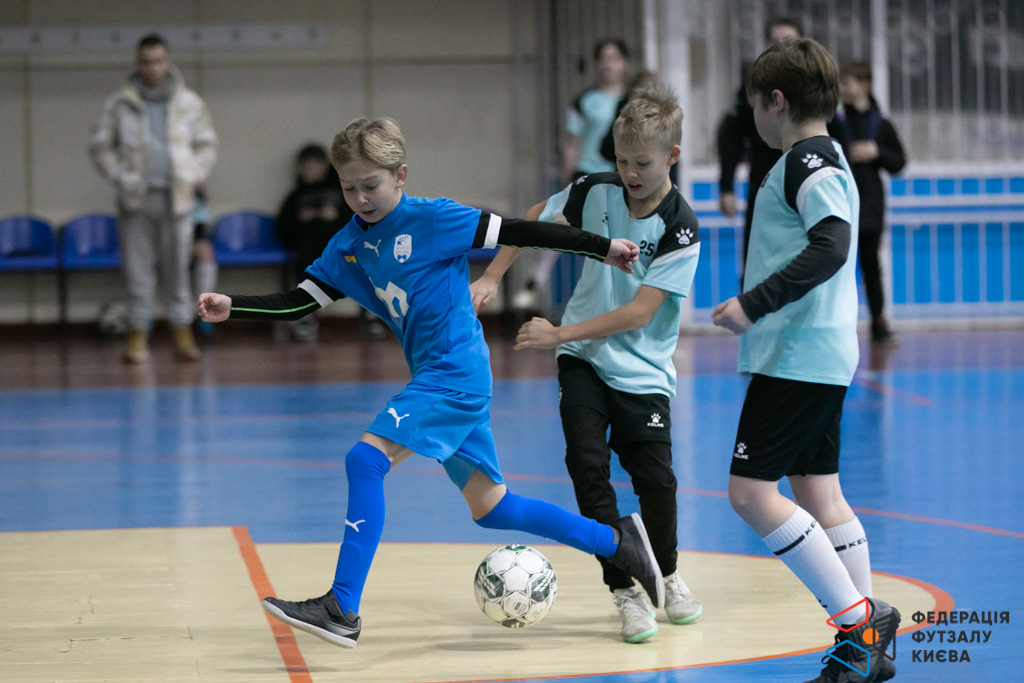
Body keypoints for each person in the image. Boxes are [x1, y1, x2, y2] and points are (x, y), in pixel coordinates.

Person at [198, 117, 665, 648]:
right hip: (440, 377)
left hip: (454, 373)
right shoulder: (348, 245)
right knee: (495, 508)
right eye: (348, 188)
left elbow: (522, 230)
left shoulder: (434, 219)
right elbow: (301, 300)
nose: (360, 199)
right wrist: (235, 306)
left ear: (400, 175)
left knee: (365, 459)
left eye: (370, 186)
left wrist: (602, 247)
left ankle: (341, 608)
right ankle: (617, 541)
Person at [471, 85, 703, 643]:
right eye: (621, 161)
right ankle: (624, 590)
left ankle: (667, 573)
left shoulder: (680, 226)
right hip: (583, 361)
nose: (630, 173)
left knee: (656, 481)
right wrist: (493, 275)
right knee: (587, 466)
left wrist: (557, 333)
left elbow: (641, 312)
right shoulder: (596, 189)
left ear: (672, 155)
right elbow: (534, 217)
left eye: (642, 162)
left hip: (642, 371)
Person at [711, 39, 899, 683]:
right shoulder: (823, 155)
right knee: (819, 491)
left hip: (798, 354)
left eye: (752, 104)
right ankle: (866, 650)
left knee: (749, 494)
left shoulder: (806, 160)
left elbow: (833, 244)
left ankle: (859, 623)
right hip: (817, 351)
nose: (751, 117)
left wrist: (753, 303)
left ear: (776, 101)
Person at [89, 33, 217, 363]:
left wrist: (193, 173)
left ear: (167, 62)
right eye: (146, 62)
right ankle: (137, 335)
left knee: (177, 272)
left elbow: (207, 143)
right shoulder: (119, 103)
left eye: (158, 61)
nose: (153, 68)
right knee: (136, 273)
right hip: (135, 201)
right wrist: (120, 176)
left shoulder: (189, 102)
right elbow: (100, 145)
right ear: (138, 63)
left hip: (178, 201)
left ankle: (182, 332)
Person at [513, 38, 632, 312]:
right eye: (603, 59)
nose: (608, 65)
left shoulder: (632, 101)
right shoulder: (584, 101)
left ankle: (616, 302)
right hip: (587, 174)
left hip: (618, 179)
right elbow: (572, 142)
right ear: (596, 64)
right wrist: (566, 179)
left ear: (624, 63)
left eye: (614, 59)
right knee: (560, 224)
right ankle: (535, 281)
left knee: (613, 238)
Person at [829, 62, 907, 347]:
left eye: (848, 83)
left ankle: (878, 324)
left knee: (871, 266)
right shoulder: (835, 122)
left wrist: (877, 152)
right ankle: (835, 327)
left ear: (865, 85)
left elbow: (899, 162)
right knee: (837, 267)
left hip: (870, 206)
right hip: (840, 203)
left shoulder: (881, 124)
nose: (843, 89)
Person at [716, 17, 802, 272]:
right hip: (763, 184)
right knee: (756, 265)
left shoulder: (813, 86)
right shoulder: (755, 85)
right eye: (776, 43)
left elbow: (838, 137)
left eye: (788, 42)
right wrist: (726, 187)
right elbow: (730, 136)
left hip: (804, 183)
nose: (782, 49)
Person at [275, 143, 385, 341]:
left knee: (364, 259)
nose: (309, 171)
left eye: (313, 165)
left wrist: (336, 216)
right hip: (310, 248)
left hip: (342, 244)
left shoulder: (344, 191)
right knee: (306, 262)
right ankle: (307, 315)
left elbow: (361, 219)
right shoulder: (296, 196)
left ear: (324, 166)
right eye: (305, 166)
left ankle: (371, 315)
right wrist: (301, 219)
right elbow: (283, 228)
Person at [191, 186, 217, 336]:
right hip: (163, 243)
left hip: (191, 242)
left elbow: (201, 229)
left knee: (206, 252)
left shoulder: (198, 199)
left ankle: (204, 310)